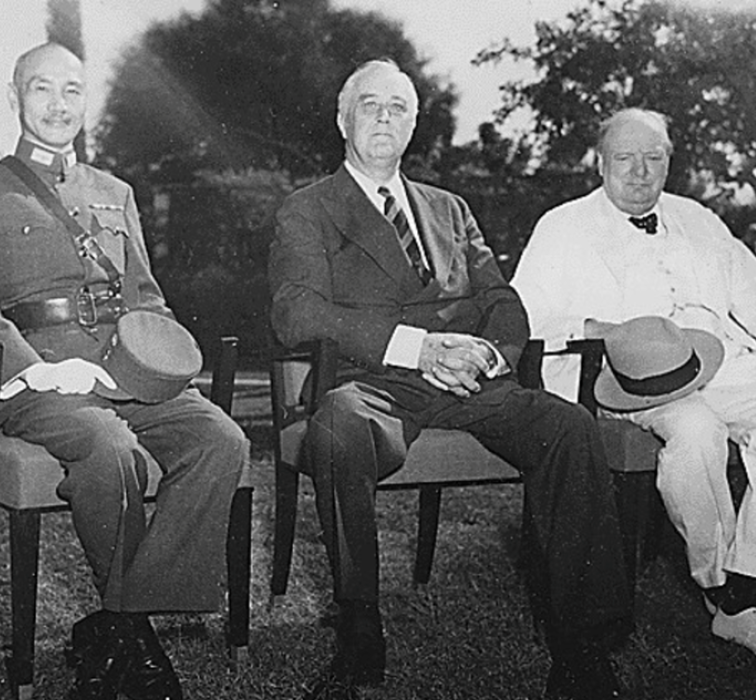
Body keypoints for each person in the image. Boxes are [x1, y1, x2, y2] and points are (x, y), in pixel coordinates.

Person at [269, 59, 633, 700]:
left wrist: (491, 354)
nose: (385, 117)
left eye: (398, 108)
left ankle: (583, 652)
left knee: (570, 428)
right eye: (370, 105)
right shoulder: (308, 211)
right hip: (375, 379)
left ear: (414, 123)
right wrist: (418, 347)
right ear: (342, 119)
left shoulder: (449, 208)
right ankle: (359, 632)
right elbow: (297, 312)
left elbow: (501, 299)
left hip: (470, 381)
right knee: (338, 431)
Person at [0, 43, 249, 700]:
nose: (58, 104)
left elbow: (146, 297)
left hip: (118, 374)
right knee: (111, 448)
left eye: (72, 90)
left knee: (222, 438)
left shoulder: (115, 192)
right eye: (42, 89)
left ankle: (119, 621)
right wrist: (34, 367)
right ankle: (136, 644)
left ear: (85, 101)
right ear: (16, 97)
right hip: (38, 383)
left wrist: (148, 363)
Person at [512, 107, 756, 667]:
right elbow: (522, 317)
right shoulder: (562, 226)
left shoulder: (699, 218)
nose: (639, 173)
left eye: (653, 159)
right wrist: (594, 330)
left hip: (715, 360)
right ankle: (730, 593)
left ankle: (744, 591)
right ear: (600, 163)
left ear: (669, 162)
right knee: (698, 433)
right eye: (624, 159)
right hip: (623, 379)